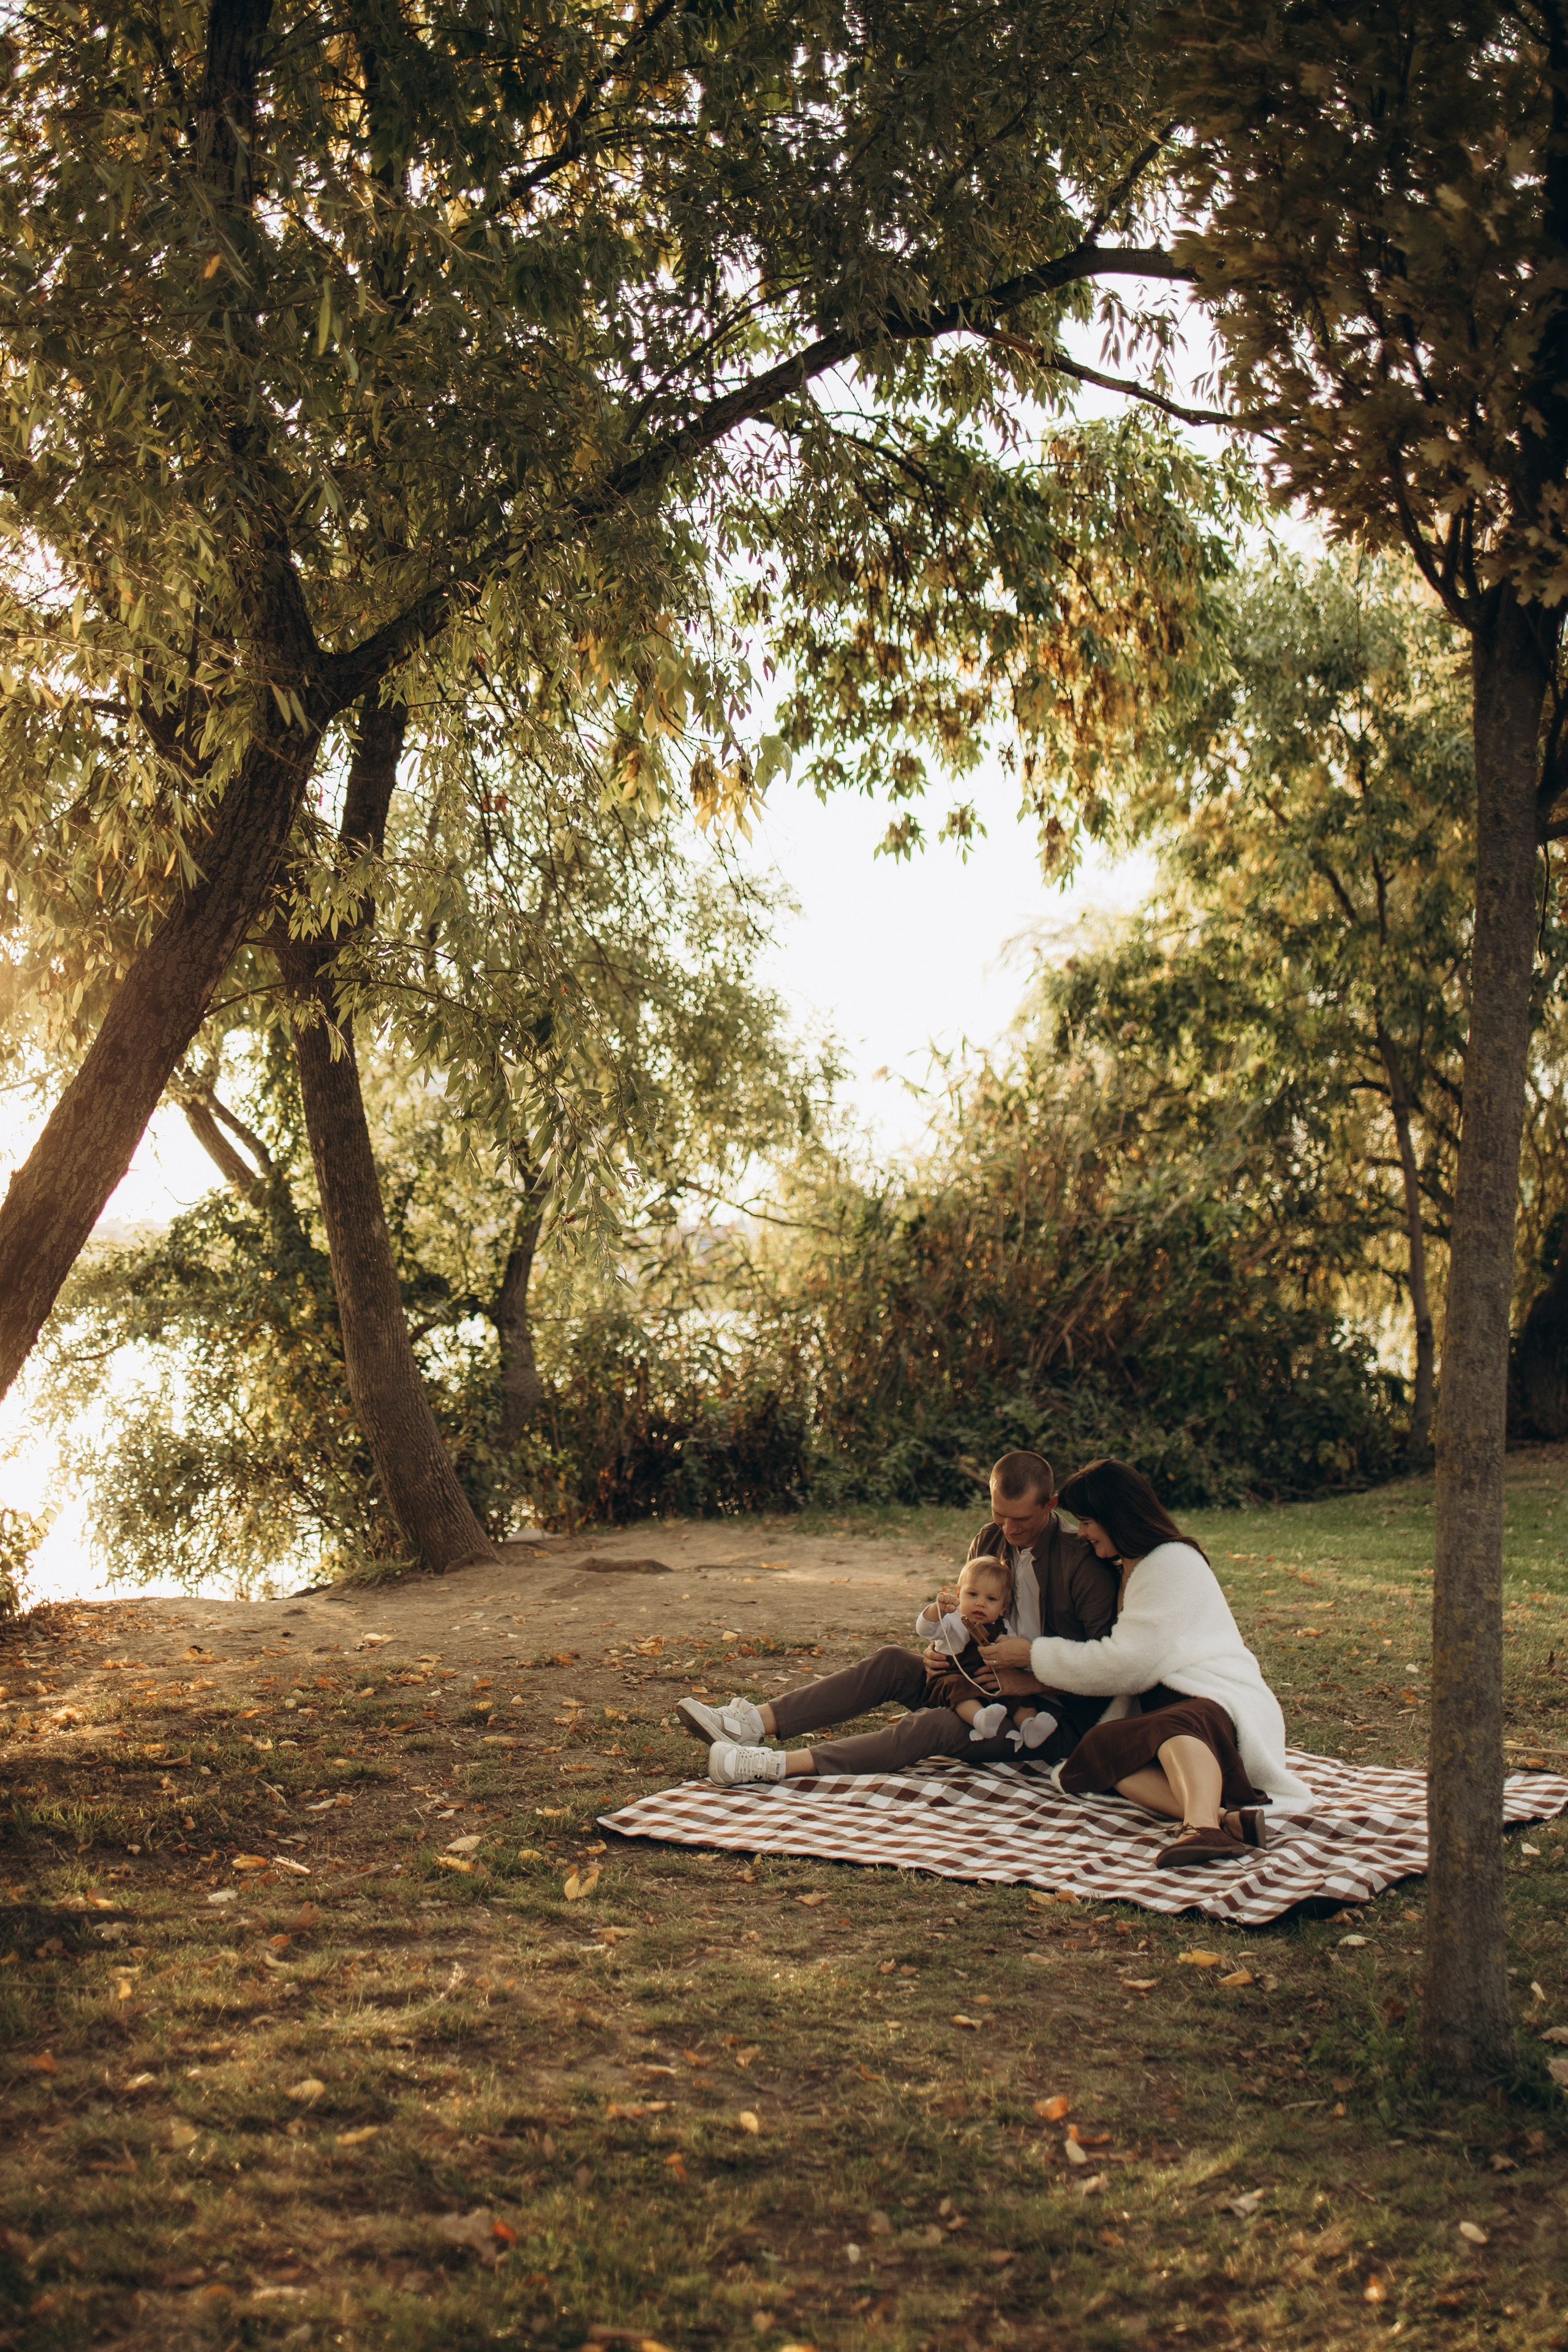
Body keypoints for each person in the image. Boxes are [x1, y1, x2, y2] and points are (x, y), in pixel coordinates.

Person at [675, 1448, 1118, 1784]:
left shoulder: (1081, 1562)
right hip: (977, 1681)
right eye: (999, 1515)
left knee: (935, 1726)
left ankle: (772, 1765)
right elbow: (968, 1616)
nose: (1009, 1530)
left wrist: (1034, 1680)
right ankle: (749, 1724)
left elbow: (1109, 1667)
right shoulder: (990, 1540)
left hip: (1049, 1716)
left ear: (1050, 1505)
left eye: (1020, 1521)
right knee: (891, 1661)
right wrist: (943, 1652)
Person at [979, 1456, 1311, 1866]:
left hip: (1216, 1701)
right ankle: (1227, 1821)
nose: (1081, 1533)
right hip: (1166, 1706)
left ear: (1115, 1517)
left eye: (1088, 1522)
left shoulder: (1171, 1562)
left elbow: (1128, 1664)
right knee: (1100, 1751)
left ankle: (1201, 1828)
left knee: (1178, 1722)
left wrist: (1034, 1655)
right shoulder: (1130, 1565)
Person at [919, 1554, 1059, 1752]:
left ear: (1003, 1608)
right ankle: (980, 1720)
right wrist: (937, 1610)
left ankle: (1029, 1727)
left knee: (1019, 1697)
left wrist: (1017, 1656)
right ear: (958, 1593)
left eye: (991, 1599)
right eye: (973, 1594)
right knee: (957, 1687)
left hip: (991, 1685)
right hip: (955, 1679)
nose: (981, 1603)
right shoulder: (952, 1621)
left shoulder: (1004, 1627)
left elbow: (1018, 1659)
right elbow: (925, 1630)